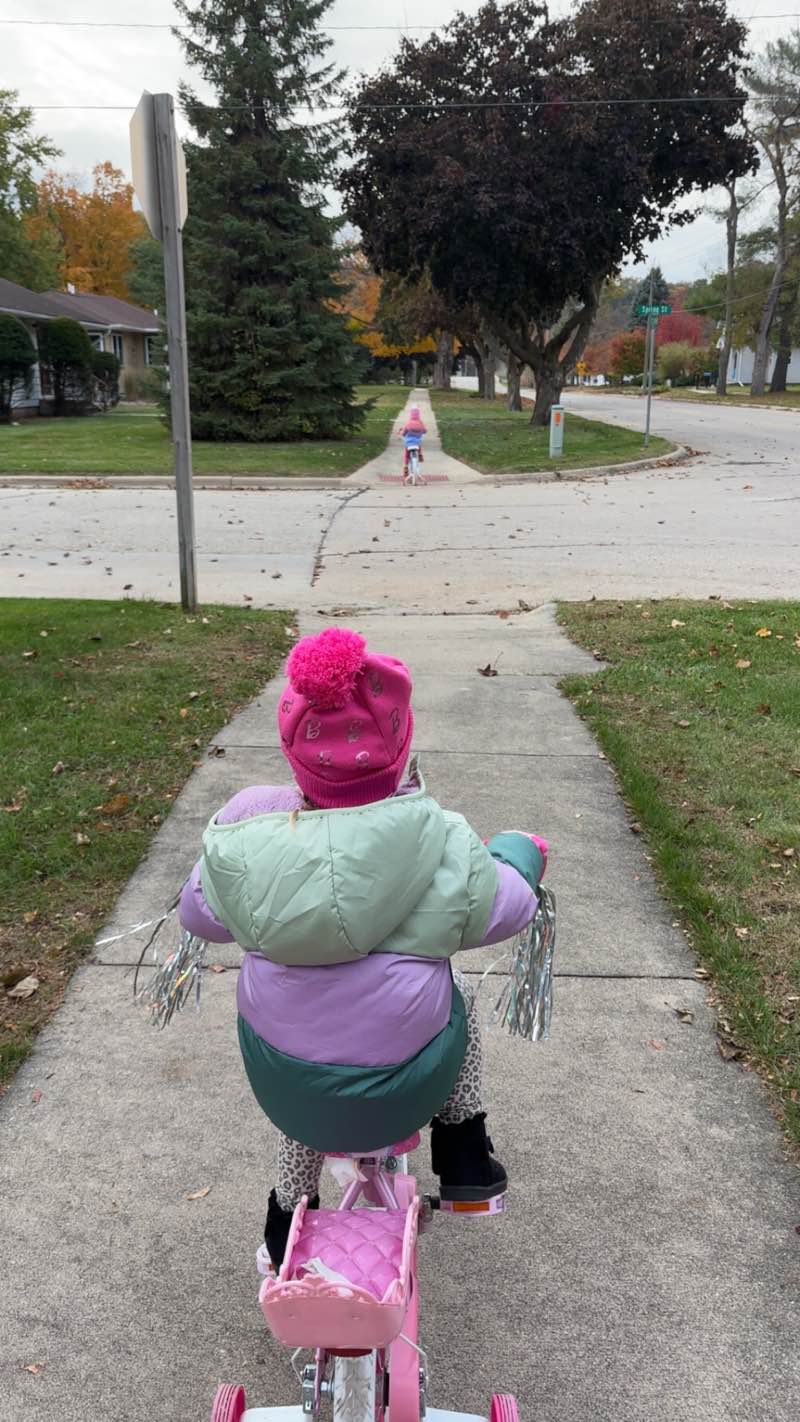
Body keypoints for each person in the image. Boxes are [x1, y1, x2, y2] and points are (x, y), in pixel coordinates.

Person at [179, 627, 547, 1267]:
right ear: (400, 749)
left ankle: (285, 1218)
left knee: (303, 1061)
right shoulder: (444, 840)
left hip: (287, 1085)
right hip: (408, 1084)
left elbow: (198, 913)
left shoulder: (248, 836)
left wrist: (231, 841)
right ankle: (463, 1149)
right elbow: (507, 907)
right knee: (456, 995)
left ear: (295, 752)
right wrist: (519, 853)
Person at [399, 404, 427, 479]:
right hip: (417, 443)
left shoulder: (408, 423)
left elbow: (404, 433)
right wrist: (422, 432)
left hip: (409, 443)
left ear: (411, 414)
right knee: (419, 445)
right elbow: (425, 431)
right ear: (418, 415)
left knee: (406, 454)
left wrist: (401, 433)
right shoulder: (421, 423)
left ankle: (405, 466)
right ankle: (420, 454)